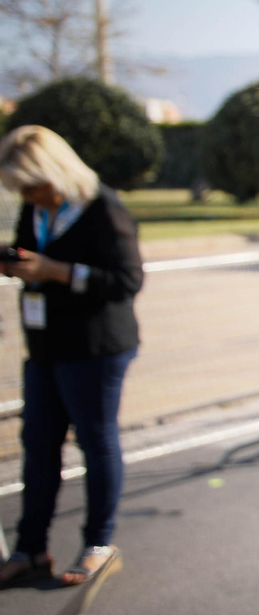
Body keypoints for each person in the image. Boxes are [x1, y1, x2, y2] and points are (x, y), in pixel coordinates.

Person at [0, 127, 142, 589]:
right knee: (39, 444)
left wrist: (57, 272)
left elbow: (126, 281)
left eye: (32, 185)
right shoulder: (35, 207)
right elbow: (33, 256)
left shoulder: (103, 206)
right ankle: (30, 548)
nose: (29, 196)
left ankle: (98, 544)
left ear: (53, 172)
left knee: (96, 440)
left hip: (96, 346)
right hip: (45, 346)